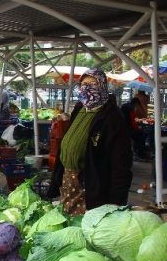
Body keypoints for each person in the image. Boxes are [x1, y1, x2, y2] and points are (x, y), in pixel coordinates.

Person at [47, 68, 133, 215]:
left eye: (92, 83)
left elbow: (121, 163)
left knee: (84, 227)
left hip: (90, 184)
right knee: (67, 221)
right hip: (68, 179)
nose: (86, 87)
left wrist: (116, 201)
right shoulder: (80, 107)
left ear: (102, 85)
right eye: (83, 84)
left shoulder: (112, 116)